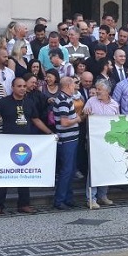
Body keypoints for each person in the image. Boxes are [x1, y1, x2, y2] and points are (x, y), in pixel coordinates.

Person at [0, 77, 51, 215]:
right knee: (3, 174)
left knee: (24, 175)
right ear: (12, 87)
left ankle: (24, 204)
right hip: (7, 143)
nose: (22, 88)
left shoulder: (30, 102)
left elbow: (35, 119)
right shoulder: (4, 102)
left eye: (24, 86)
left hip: (25, 144)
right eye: (19, 86)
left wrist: (49, 133)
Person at [82, 79, 120, 208]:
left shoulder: (115, 104)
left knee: (107, 169)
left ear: (107, 91)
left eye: (99, 89)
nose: (97, 91)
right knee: (93, 169)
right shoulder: (91, 101)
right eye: (96, 89)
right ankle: (91, 198)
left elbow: (118, 122)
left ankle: (102, 195)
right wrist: (85, 112)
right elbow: (84, 113)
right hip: (94, 142)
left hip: (108, 142)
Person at [53, 76, 82, 210]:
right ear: (68, 85)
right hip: (67, 140)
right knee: (66, 170)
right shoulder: (63, 100)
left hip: (71, 139)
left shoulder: (66, 99)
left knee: (69, 170)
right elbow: (64, 122)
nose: (76, 86)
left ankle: (68, 198)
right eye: (74, 83)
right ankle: (60, 200)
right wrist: (78, 119)